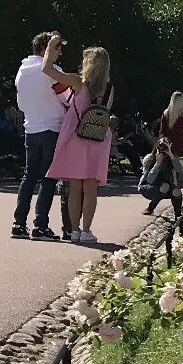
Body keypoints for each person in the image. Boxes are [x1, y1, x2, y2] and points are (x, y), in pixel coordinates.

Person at [46, 44, 115, 246]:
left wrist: (51, 48)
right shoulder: (109, 89)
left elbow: (48, 71)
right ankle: (87, 230)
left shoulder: (78, 83)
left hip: (76, 137)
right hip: (98, 139)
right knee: (91, 188)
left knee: (75, 186)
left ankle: (74, 231)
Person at [12, 29, 67, 240]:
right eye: (58, 48)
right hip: (51, 128)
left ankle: (19, 223)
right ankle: (40, 225)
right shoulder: (51, 70)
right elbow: (66, 96)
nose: (60, 53)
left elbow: (21, 102)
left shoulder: (22, 71)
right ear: (46, 48)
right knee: (48, 178)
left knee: (29, 176)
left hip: (31, 127)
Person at [139, 138, 183, 219]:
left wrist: (170, 154)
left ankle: (178, 215)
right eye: (160, 146)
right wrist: (157, 164)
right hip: (147, 187)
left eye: (165, 146)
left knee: (176, 191)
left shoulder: (172, 158)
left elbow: (179, 169)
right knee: (165, 186)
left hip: (165, 186)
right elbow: (149, 180)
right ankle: (150, 208)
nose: (162, 149)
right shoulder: (149, 159)